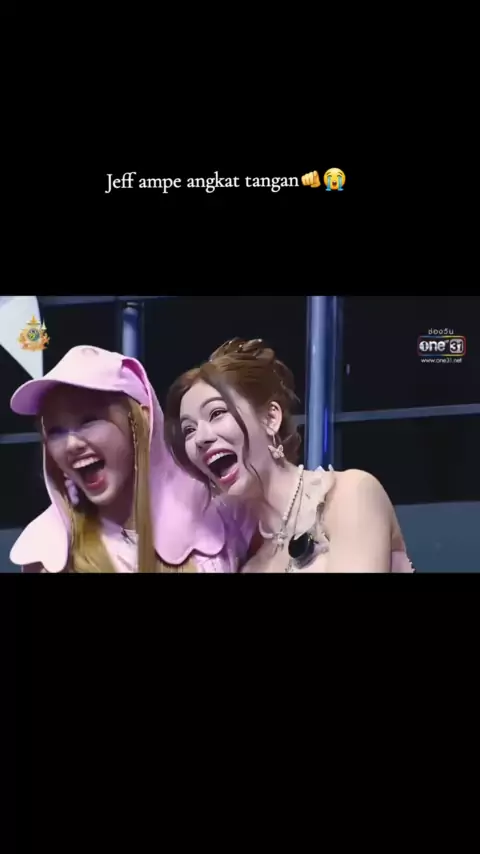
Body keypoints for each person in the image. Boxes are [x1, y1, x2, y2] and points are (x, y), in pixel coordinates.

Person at [164, 338, 415, 573]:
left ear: (270, 418)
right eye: (189, 430)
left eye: (216, 413)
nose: (200, 438)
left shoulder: (349, 493)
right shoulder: (250, 566)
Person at [9, 345, 254, 573]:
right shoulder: (49, 553)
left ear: (141, 420)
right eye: (55, 431)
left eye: (88, 420)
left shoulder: (222, 516)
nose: (71, 444)